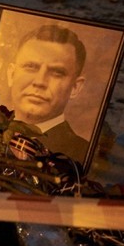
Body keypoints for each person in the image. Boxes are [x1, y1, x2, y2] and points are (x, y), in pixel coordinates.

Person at [7, 24, 90, 163]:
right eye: (31, 67)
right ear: (11, 75)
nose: (40, 82)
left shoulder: (84, 157)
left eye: (57, 73)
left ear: (75, 87)